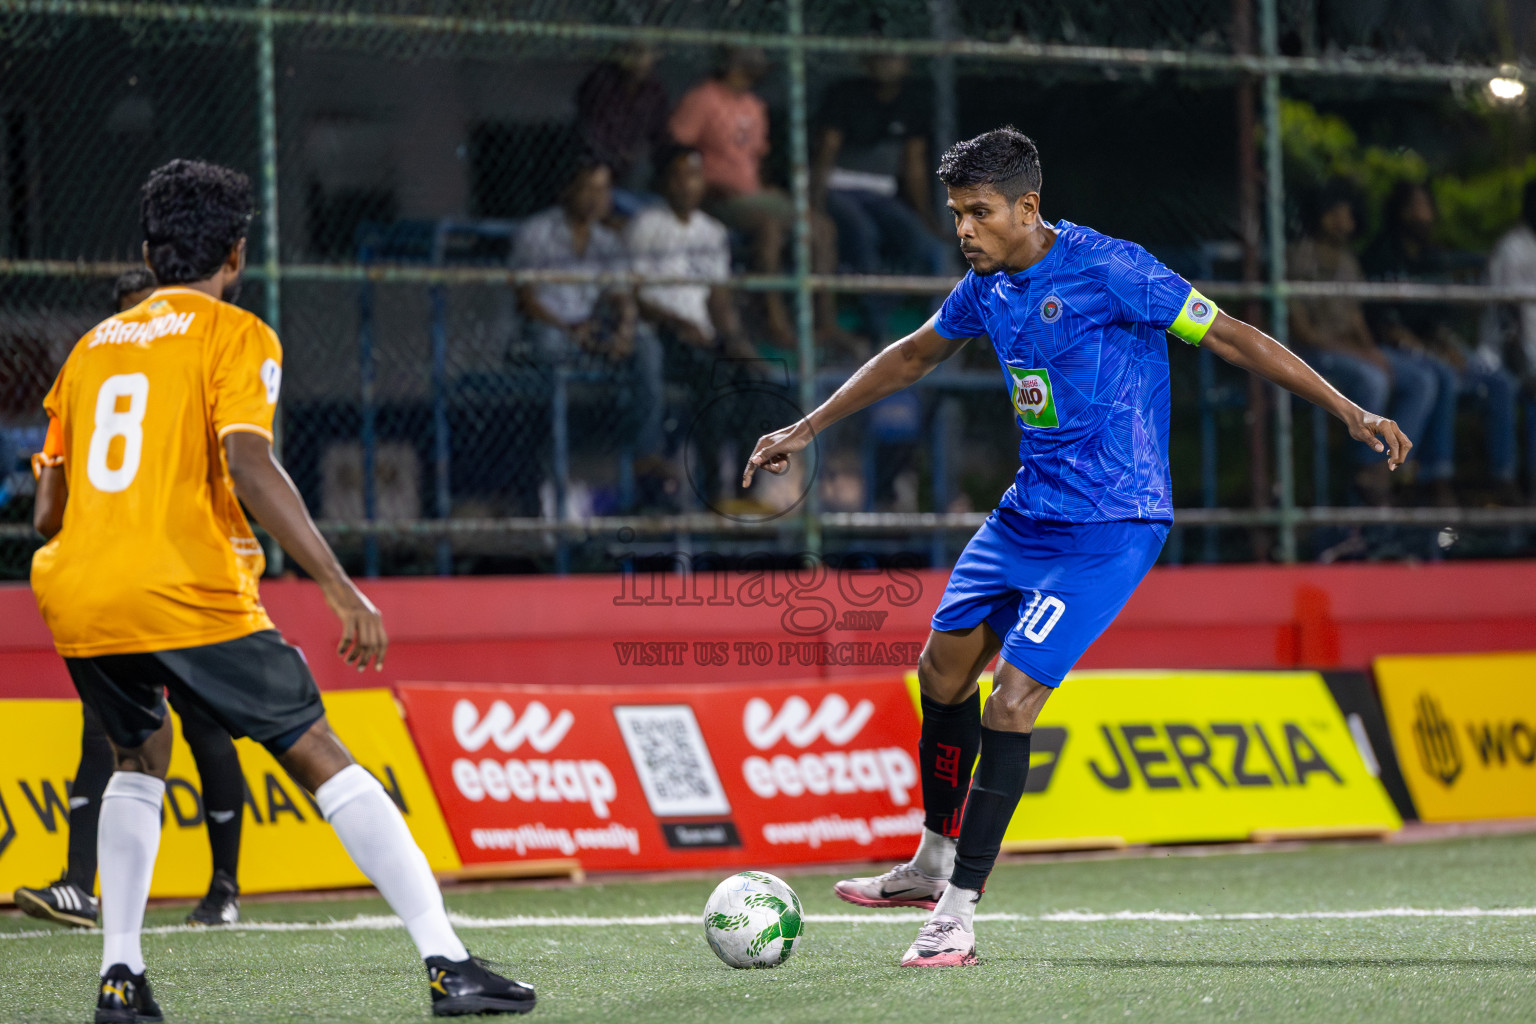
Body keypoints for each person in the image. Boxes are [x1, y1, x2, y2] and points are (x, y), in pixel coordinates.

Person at [742, 128, 1410, 968]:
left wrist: (1348, 409)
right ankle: (931, 858)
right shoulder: (985, 286)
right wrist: (805, 427)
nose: (965, 231)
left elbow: (1233, 334)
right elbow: (914, 355)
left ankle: (956, 912)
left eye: (979, 213)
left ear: (1028, 206)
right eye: (956, 215)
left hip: (1111, 525)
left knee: (1010, 702)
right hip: (1027, 515)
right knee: (940, 670)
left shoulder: (1112, 269)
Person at [30, 159, 534, 1020]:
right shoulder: (236, 335)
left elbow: (47, 509)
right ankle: (449, 963)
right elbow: (248, 458)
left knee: (137, 760)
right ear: (236, 253)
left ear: (149, 254)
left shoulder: (88, 349)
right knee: (317, 751)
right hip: (185, 587)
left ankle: (122, 978)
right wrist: (339, 586)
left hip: (78, 591)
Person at [13, 266, 251, 931]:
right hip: (147, 575)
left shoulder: (95, 368)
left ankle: (223, 886)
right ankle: (82, 889)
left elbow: (44, 515)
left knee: (200, 724)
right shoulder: (206, 357)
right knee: (114, 729)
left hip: (176, 574)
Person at [669, 47, 852, 354]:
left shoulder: (754, 105)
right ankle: (775, 321)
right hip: (716, 196)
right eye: (752, 52)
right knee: (770, 226)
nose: (761, 60)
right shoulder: (703, 98)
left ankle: (825, 322)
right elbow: (675, 151)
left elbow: (756, 160)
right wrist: (705, 186)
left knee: (820, 227)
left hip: (754, 194)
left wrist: (767, 190)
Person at [1364, 180, 1521, 505]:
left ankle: (1504, 479)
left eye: (1426, 206)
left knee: (1500, 382)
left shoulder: (1432, 257)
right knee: (1441, 377)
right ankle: (1436, 476)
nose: (1423, 215)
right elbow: (1382, 323)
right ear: (1400, 212)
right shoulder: (1381, 254)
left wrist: (1444, 345)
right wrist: (1426, 349)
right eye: (1414, 207)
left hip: (1431, 343)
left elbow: (1438, 322)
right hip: (1392, 347)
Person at [1286, 180, 1436, 506]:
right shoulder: (1298, 257)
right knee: (1373, 379)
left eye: (1348, 212)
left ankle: (1383, 468)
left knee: (1421, 379)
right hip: (1313, 353)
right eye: (1335, 212)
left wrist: (1371, 351)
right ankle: (1364, 466)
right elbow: (1303, 334)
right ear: (1319, 213)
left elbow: (1355, 319)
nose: (1343, 220)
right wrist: (1363, 356)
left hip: (1350, 351)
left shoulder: (1347, 260)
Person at [513, 157, 664, 466]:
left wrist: (624, 329)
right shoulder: (536, 232)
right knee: (549, 341)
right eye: (588, 189)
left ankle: (647, 453)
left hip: (591, 331)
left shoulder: (607, 241)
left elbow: (620, 297)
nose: (597, 198)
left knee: (647, 346)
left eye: (604, 189)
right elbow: (526, 300)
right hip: (551, 329)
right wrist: (571, 331)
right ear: (567, 191)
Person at [813, 53, 950, 344]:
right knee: (863, 233)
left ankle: (936, 336)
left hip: (881, 196)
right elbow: (827, 148)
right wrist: (813, 201)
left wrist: (925, 216)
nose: (887, 62)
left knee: (924, 244)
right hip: (839, 189)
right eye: (881, 55)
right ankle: (874, 331)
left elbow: (913, 164)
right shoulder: (846, 95)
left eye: (895, 56)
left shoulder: (912, 102)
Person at [574, 42, 672, 218]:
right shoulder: (601, 83)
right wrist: (618, 154)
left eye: (645, 54)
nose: (639, 60)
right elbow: (593, 132)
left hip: (635, 163)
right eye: (633, 53)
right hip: (601, 159)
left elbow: (660, 136)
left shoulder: (655, 91)